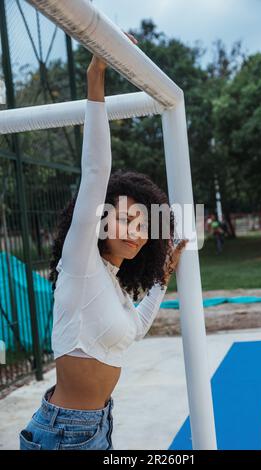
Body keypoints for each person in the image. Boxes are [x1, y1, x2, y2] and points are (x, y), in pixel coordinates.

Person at [19, 33, 188, 451]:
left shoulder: (111, 282)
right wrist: (97, 73)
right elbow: (96, 170)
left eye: (143, 223)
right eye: (126, 219)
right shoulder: (81, 265)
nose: (137, 231)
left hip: (97, 425)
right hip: (65, 433)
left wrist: (164, 276)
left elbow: (136, 329)